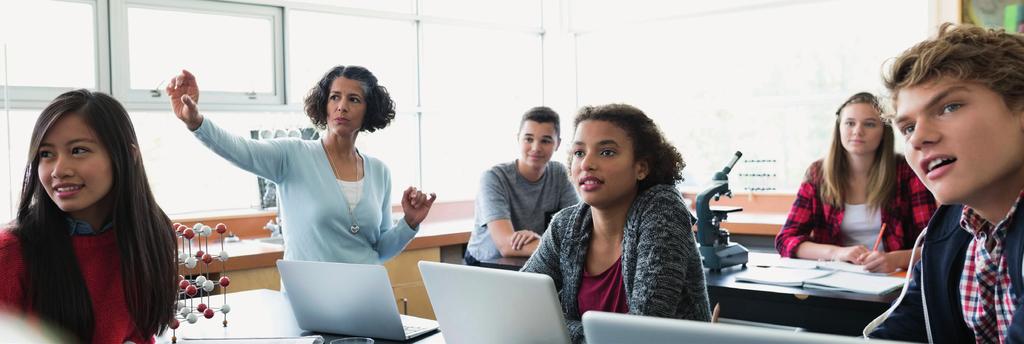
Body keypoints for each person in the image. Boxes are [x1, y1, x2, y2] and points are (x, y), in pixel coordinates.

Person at [166, 66, 436, 264]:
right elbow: (239, 149)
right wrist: (196, 122)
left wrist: (410, 223)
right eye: (335, 97)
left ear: (369, 110)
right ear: (324, 104)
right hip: (308, 300)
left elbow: (380, 249)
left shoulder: (379, 171)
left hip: (366, 295)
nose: (341, 107)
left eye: (353, 99)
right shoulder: (292, 155)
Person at [866, 24, 1024, 342]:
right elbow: (901, 331)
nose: (919, 138)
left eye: (949, 107)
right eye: (908, 127)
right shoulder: (948, 230)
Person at [521, 104, 710, 344]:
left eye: (607, 152)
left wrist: (557, 328)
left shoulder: (663, 210)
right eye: (579, 152)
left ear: (641, 167)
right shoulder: (566, 225)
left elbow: (642, 334)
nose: (586, 163)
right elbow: (521, 309)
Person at [0, 90, 177, 343]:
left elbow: (139, 335)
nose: (58, 171)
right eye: (46, 154)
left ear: (128, 155)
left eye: (78, 150)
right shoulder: (10, 252)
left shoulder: (151, 235)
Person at [775, 92, 937, 273]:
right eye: (850, 123)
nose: (857, 131)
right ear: (839, 128)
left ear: (884, 131)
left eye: (869, 124)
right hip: (837, 280)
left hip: (896, 278)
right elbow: (785, 240)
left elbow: (936, 244)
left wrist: (895, 259)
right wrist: (837, 253)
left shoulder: (907, 172)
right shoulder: (817, 173)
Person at [465, 106, 579, 264]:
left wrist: (542, 241)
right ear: (518, 138)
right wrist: (550, 244)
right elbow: (506, 245)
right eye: (529, 139)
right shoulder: (493, 177)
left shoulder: (559, 173)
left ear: (557, 144)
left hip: (531, 260)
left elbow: (576, 231)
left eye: (545, 140)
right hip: (485, 263)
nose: (536, 148)